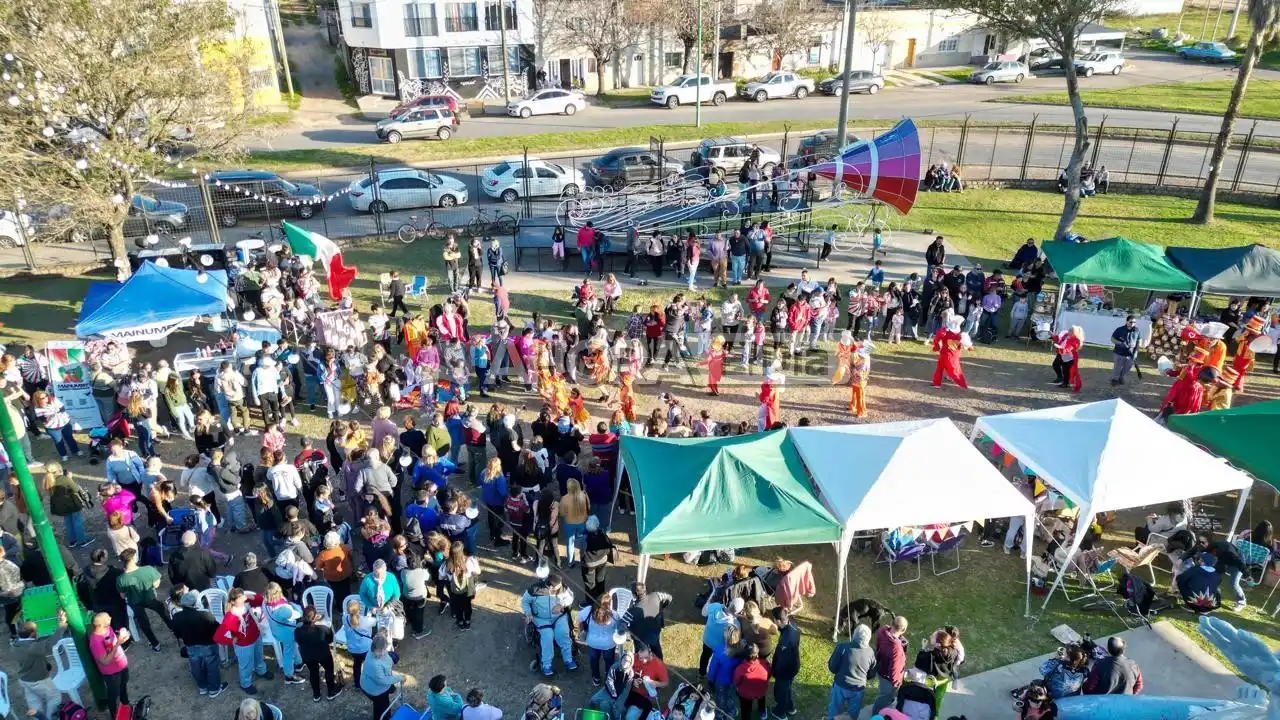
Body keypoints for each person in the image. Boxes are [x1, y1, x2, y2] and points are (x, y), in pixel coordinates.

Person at [214, 588, 273, 695]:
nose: (243, 599)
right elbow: (218, 636)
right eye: (240, 598)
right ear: (232, 602)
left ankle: (261, 670)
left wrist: (250, 596)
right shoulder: (231, 616)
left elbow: (261, 601)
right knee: (246, 664)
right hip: (244, 644)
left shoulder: (246, 604)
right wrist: (232, 639)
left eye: (243, 596)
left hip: (255, 635)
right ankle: (246, 684)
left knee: (259, 656)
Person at [172, 589, 228, 698]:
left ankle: (202, 687)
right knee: (212, 667)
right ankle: (214, 689)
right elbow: (217, 628)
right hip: (208, 645)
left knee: (196, 666)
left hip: (190, 645)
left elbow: (177, 633)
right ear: (195, 603)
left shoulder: (177, 617)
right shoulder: (205, 615)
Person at [13, 610, 68, 719]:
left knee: (34, 702)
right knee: (55, 697)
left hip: (24, 680)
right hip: (38, 680)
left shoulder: (16, 644)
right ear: (33, 633)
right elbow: (50, 643)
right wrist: (62, 625)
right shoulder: (32, 647)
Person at [521, 573, 577, 676]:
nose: (560, 586)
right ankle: (547, 664)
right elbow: (524, 602)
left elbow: (570, 597)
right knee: (547, 637)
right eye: (558, 585)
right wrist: (528, 613)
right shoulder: (534, 589)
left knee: (563, 633)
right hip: (541, 619)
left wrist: (561, 605)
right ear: (550, 583)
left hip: (559, 617)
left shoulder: (563, 587)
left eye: (561, 584)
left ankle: (568, 659)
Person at [117, 547, 172, 652]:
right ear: (133, 559)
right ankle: (173, 628)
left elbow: (123, 596)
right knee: (163, 611)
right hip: (150, 598)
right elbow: (156, 585)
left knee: (144, 624)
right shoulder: (148, 569)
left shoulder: (121, 579)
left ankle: (155, 645)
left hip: (135, 602)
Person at [827, 622, 877, 719]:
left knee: (834, 709)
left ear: (854, 635)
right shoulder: (871, 652)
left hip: (841, 685)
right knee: (853, 714)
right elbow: (872, 673)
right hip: (858, 688)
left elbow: (832, 667)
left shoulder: (842, 648)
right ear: (868, 639)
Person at [89, 611, 131, 714]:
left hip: (122, 665)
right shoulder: (95, 641)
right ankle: (114, 713)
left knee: (123, 686)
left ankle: (126, 705)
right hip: (112, 672)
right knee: (113, 693)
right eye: (107, 617)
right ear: (100, 624)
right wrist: (118, 643)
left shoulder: (108, 628)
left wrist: (122, 637)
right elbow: (105, 661)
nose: (110, 617)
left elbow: (113, 640)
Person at [579, 591, 621, 687]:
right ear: (609, 605)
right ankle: (608, 679)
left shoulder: (587, 611)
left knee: (594, 660)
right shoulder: (614, 615)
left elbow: (581, 620)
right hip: (609, 644)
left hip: (592, 642)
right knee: (609, 661)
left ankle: (596, 678)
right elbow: (618, 629)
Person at [623, 582, 672, 659]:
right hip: (654, 632)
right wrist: (661, 608)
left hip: (640, 638)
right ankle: (660, 663)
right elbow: (669, 597)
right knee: (656, 649)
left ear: (635, 594)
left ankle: (640, 666)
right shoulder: (657, 595)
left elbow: (621, 624)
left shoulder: (632, 611)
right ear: (645, 589)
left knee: (640, 655)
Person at [360, 632, 404, 719]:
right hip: (375, 690)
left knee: (378, 705)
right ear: (374, 648)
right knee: (382, 708)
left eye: (383, 650)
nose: (381, 653)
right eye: (379, 651)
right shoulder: (375, 664)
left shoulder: (371, 649)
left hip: (367, 682)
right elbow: (384, 680)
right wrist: (399, 678)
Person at [47, 469, 93, 548]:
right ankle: (82, 541)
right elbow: (76, 489)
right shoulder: (64, 479)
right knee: (77, 522)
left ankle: (72, 541)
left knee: (68, 523)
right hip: (72, 504)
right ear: (58, 471)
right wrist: (70, 478)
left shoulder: (50, 480)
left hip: (62, 506)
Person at [872, 615, 909, 713]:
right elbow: (895, 669)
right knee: (885, 696)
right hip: (888, 677)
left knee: (884, 693)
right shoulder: (896, 649)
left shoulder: (882, 631)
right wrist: (896, 682)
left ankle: (886, 704)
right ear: (904, 629)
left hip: (880, 667)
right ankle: (876, 715)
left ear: (892, 624)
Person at [770, 608, 801, 719]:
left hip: (786, 669)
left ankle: (780, 713)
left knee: (781, 691)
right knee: (787, 688)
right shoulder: (793, 624)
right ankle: (790, 707)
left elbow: (782, 660)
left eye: (774, 619)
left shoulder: (786, 640)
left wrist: (775, 671)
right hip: (794, 664)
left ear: (778, 621)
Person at [733, 643, 770, 720]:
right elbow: (768, 675)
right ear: (757, 654)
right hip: (761, 691)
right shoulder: (764, 664)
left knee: (745, 709)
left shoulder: (740, 669)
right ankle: (762, 712)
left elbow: (736, 682)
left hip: (746, 695)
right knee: (762, 700)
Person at [931, 315, 969, 389]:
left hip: (944, 353)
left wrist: (936, 347)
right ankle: (953, 379)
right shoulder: (960, 336)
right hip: (954, 355)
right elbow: (966, 345)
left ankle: (937, 383)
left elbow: (936, 339)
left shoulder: (943, 332)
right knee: (954, 369)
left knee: (940, 368)